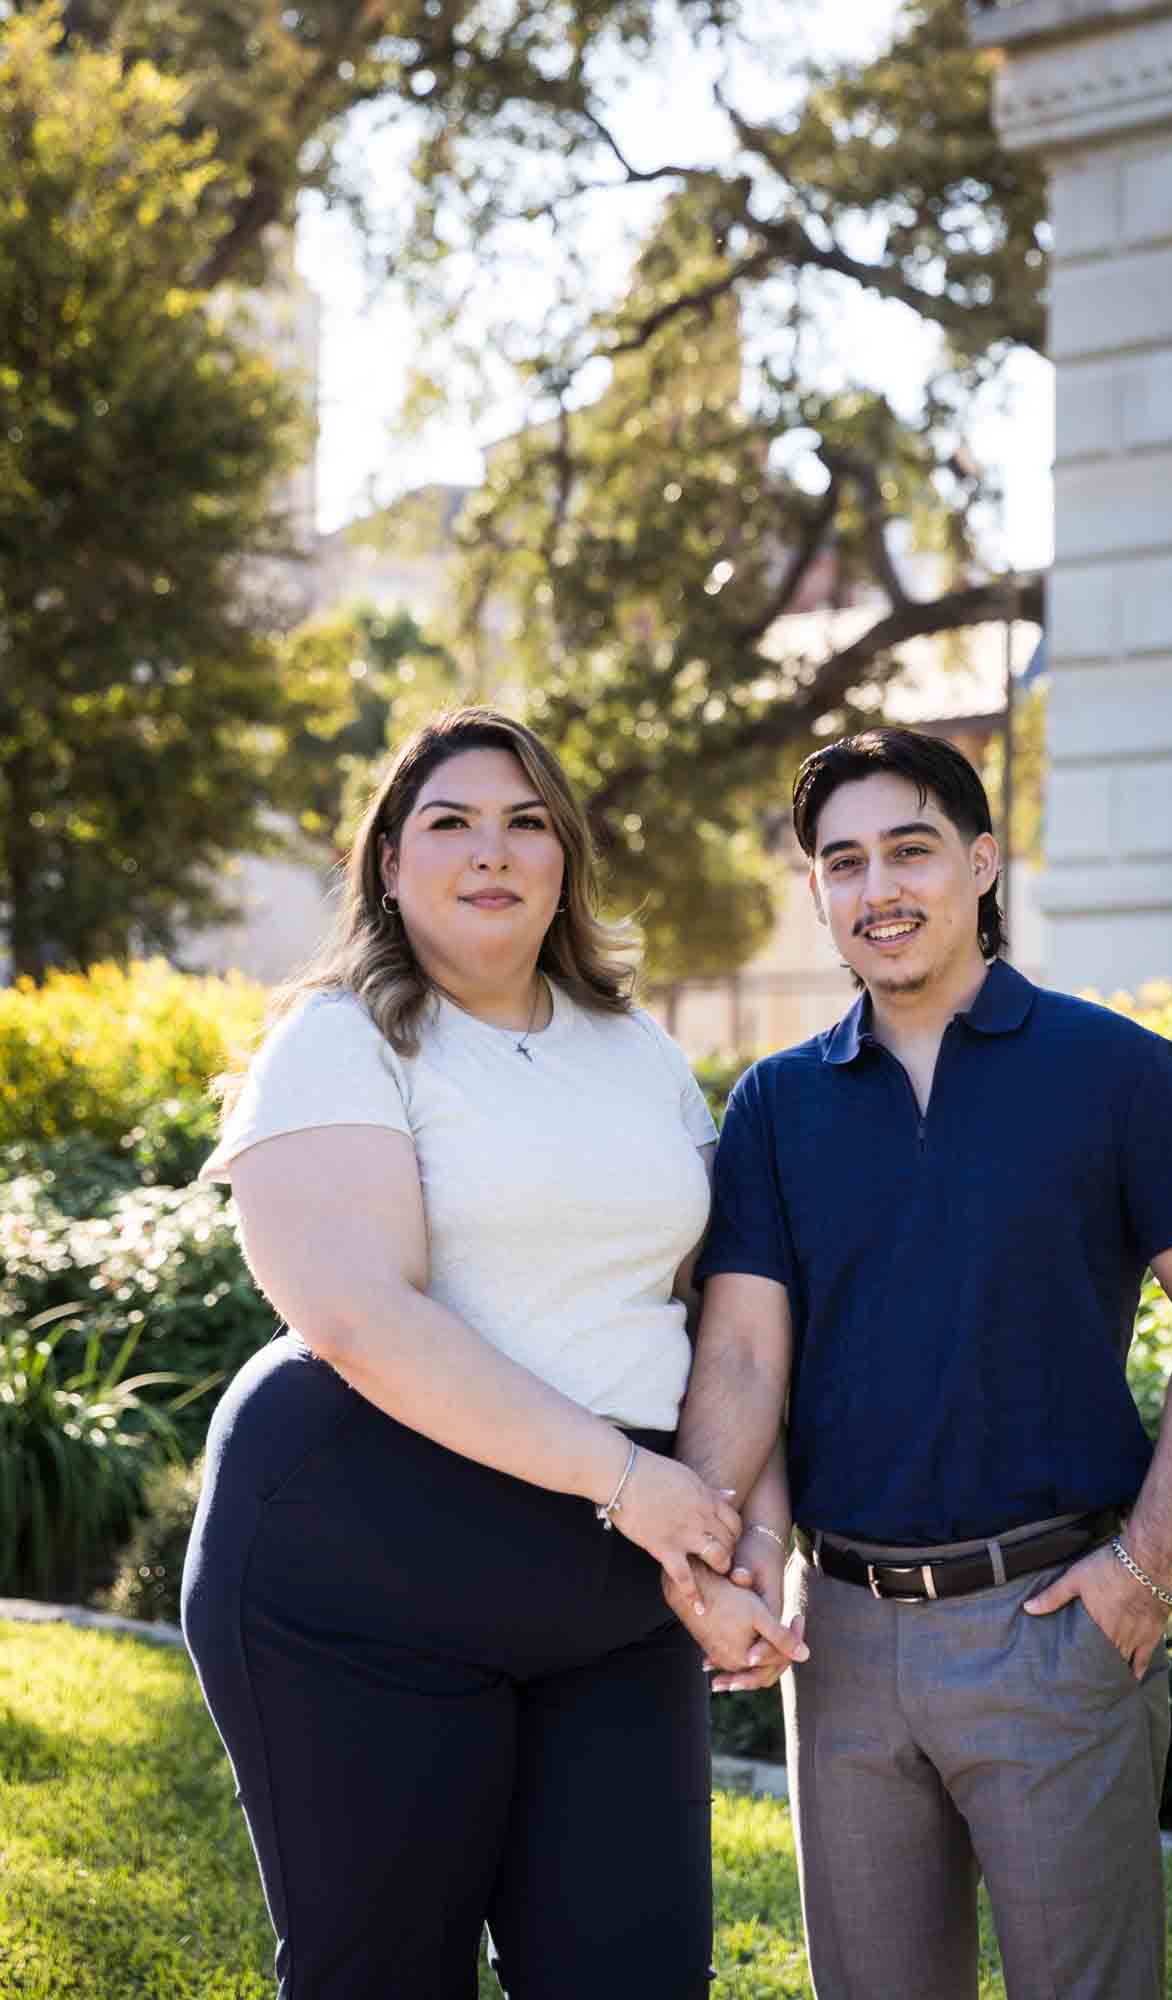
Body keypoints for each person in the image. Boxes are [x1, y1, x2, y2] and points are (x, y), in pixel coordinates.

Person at [182, 705, 801, 2000]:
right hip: (360, 1572)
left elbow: (713, 1324)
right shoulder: (339, 1041)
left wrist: (737, 1533)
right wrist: (639, 1494)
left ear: (564, 860)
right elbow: (361, 1317)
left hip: (611, 1592)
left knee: (635, 1975)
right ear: (390, 864)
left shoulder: (637, 1056)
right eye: (450, 823)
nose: (492, 851)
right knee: (383, 1976)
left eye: (527, 823)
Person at [663, 727, 1172, 2000]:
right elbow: (738, 1352)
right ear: (817, 890)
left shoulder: (1110, 1068)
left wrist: (1144, 1560)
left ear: (981, 861)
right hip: (840, 1640)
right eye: (842, 862)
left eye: (909, 849)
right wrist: (723, 1551)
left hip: (1053, 1618)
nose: (877, 888)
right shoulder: (777, 1102)